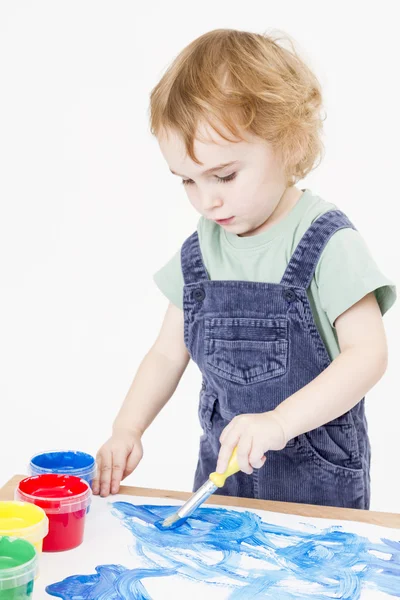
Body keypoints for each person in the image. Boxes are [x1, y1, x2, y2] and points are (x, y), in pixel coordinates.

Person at [92, 29, 396, 508]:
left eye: (224, 175)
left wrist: (279, 422)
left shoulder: (326, 242)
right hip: (221, 478)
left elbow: (367, 356)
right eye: (187, 181)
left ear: (290, 144)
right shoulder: (202, 249)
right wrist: (127, 428)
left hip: (316, 484)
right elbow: (167, 354)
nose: (206, 199)